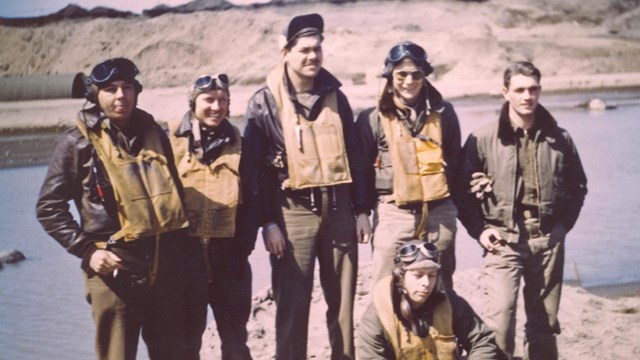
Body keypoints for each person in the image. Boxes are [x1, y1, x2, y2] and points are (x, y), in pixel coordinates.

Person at [36, 57, 192, 359]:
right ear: (96, 95)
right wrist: (87, 251)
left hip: (163, 263)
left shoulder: (155, 134)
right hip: (113, 268)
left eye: (127, 87)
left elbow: (176, 195)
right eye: (110, 89)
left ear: (137, 91)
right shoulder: (76, 143)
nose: (121, 96)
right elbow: (49, 207)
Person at [242, 13, 373, 360]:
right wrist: (268, 223)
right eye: (303, 50)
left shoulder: (337, 97)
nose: (312, 56)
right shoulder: (262, 103)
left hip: (340, 211)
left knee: (342, 305)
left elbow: (356, 156)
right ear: (285, 52)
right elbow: (254, 174)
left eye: (317, 49)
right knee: (292, 306)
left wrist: (362, 210)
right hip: (292, 214)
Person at [457, 61, 588, 360]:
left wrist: (563, 226)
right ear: (506, 92)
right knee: (500, 320)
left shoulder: (560, 138)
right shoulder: (482, 139)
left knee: (544, 323)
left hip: (548, 241)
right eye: (519, 90)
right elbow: (461, 192)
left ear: (540, 90)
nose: (527, 96)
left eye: (532, 89)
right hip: (502, 242)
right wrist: (480, 230)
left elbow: (578, 186)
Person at [355, 41, 462, 288]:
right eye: (401, 74)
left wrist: (451, 207)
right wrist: (361, 211)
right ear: (390, 76)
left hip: (439, 213)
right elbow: (360, 169)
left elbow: (455, 162)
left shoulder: (445, 113)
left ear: (425, 76)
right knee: (385, 285)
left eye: (416, 74)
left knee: (440, 286)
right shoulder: (370, 118)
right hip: (393, 213)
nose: (409, 81)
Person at [167, 73, 255, 360]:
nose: (216, 107)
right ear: (194, 103)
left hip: (229, 260)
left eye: (223, 100)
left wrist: (241, 252)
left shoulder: (243, 145)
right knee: (186, 341)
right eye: (209, 100)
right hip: (184, 260)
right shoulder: (170, 142)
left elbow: (253, 203)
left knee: (235, 341)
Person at [358, 239, 503, 359]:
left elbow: (482, 341)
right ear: (400, 278)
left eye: (431, 275)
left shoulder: (450, 302)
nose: (426, 283)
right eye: (418, 275)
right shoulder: (378, 315)